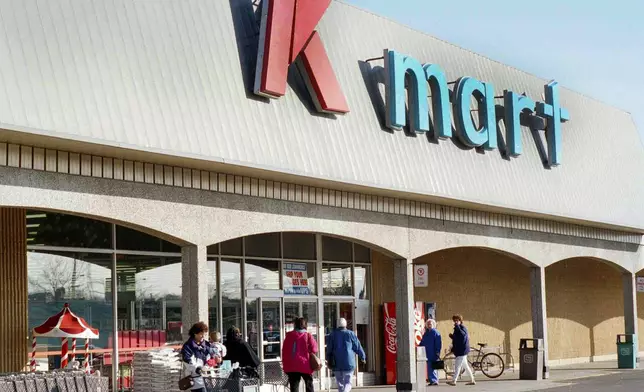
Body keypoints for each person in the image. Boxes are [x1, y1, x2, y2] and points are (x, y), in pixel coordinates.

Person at [326, 318, 366, 392]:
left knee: (339, 383)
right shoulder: (350, 334)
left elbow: (329, 349)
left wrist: (328, 359)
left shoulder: (332, 335)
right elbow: (357, 346)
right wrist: (362, 357)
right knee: (348, 383)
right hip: (348, 362)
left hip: (336, 362)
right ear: (345, 324)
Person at [282, 317, 318, 392]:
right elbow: (315, 349)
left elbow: (284, 351)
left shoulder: (288, 336)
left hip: (292, 365)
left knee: (294, 386)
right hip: (305, 364)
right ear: (305, 325)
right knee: (309, 385)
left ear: (295, 325)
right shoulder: (308, 336)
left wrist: (285, 364)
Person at [181, 322, 213, 392]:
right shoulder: (188, 346)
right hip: (196, 380)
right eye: (201, 334)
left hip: (208, 378)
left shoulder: (207, 345)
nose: (203, 336)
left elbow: (211, 358)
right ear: (195, 333)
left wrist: (213, 362)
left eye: (204, 333)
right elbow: (187, 361)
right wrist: (197, 369)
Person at [447, 314, 475, 386]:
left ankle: (454, 381)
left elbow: (463, 336)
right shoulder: (458, 328)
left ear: (460, 321)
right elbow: (458, 339)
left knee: (457, 366)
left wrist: (457, 327)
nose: (456, 322)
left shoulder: (462, 328)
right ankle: (472, 380)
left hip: (462, 351)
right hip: (461, 350)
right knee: (466, 366)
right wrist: (452, 337)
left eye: (457, 320)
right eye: (455, 320)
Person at [420, 319, 442, 386]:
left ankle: (435, 380)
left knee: (433, 366)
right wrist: (419, 346)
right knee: (430, 366)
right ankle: (432, 380)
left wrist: (438, 351)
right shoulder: (426, 333)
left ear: (433, 324)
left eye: (430, 324)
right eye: (428, 324)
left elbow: (438, 343)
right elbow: (423, 342)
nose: (429, 325)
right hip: (427, 352)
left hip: (433, 351)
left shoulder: (435, 332)